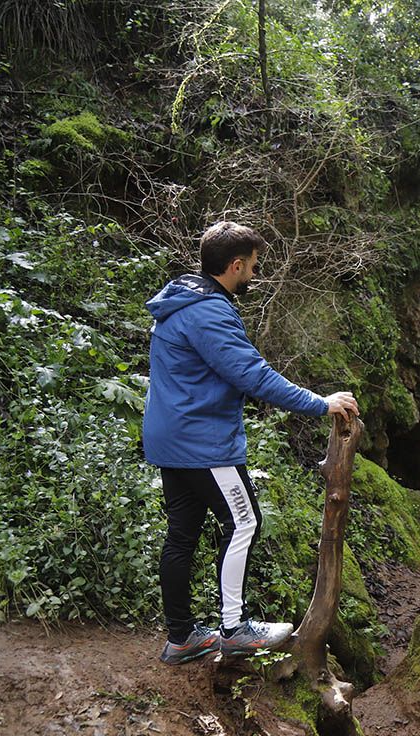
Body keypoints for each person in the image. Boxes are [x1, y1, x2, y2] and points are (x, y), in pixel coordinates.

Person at [143, 221, 359, 665]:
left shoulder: (182, 302)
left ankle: (182, 638)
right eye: (253, 268)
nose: (255, 276)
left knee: (182, 536)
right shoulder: (209, 312)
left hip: (172, 440)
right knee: (245, 523)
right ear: (235, 265)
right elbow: (252, 376)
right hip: (203, 444)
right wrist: (322, 403)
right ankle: (235, 628)